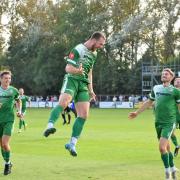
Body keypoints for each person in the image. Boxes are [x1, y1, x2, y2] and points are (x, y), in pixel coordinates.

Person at [43, 32, 106, 156]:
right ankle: (49, 126)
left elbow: (90, 72)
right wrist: (77, 71)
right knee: (64, 102)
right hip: (72, 80)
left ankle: (72, 143)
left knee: (84, 115)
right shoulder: (78, 49)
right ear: (94, 40)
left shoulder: (94, 54)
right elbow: (67, 68)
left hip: (83, 84)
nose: (101, 46)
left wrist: (91, 89)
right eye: (100, 44)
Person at [128, 68, 180, 180]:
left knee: (161, 148)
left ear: (171, 77)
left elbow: (179, 107)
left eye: (166, 74)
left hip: (169, 122)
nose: (164, 75)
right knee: (167, 148)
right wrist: (137, 113)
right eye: (163, 74)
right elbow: (149, 102)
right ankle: (173, 167)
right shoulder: (156, 88)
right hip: (158, 122)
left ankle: (168, 174)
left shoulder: (176, 91)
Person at [0, 70, 21, 175]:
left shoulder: (13, 90)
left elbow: (18, 100)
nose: (8, 80)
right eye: (5, 78)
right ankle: (8, 162)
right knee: (1, 145)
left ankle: (7, 164)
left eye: (9, 78)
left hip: (9, 120)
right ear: (1, 79)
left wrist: (19, 111)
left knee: (4, 143)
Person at [172, 77, 180, 157]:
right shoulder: (170, 91)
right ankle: (177, 146)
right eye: (176, 80)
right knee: (171, 133)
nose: (177, 82)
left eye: (179, 81)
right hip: (173, 115)